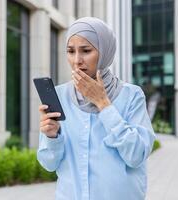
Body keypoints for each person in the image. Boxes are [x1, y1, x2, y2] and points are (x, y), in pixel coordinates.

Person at [37, 17, 156, 200]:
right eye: (70, 51)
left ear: (105, 52)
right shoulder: (59, 96)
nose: (77, 60)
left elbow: (137, 155)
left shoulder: (131, 95)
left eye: (86, 50)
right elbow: (49, 164)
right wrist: (51, 137)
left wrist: (103, 103)